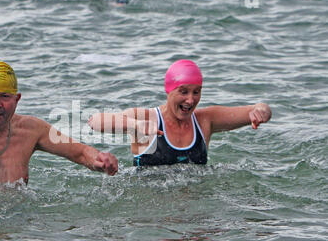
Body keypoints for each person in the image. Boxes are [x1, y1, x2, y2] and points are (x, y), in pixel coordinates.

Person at [87, 59, 272, 166]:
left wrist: (261, 111)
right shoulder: (147, 118)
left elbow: (256, 109)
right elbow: (95, 121)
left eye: (196, 92)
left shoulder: (205, 120)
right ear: (169, 90)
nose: (190, 100)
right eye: (183, 92)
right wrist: (136, 125)